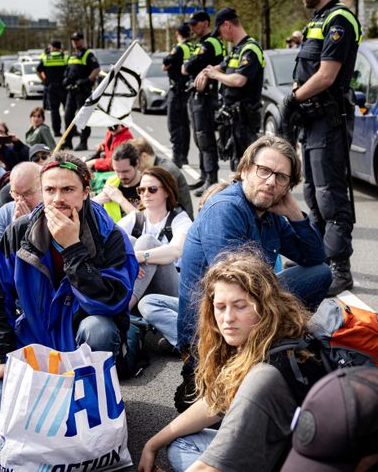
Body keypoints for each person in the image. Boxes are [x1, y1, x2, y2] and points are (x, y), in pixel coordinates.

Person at [0, 152, 137, 421]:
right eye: (50, 189)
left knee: (98, 327)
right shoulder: (18, 232)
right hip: (34, 344)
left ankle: (83, 408)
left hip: (79, 344)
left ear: (86, 192)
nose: (57, 198)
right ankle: (63, 417)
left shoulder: (111, 236)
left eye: (68, 189)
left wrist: (73, 250)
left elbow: (112, 302)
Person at [138, 251, 310, 472]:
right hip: (284, 448)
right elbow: (217, 401)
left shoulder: (265, 373)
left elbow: (210, 467)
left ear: (265, 306)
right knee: (180, 442)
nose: (228, 318)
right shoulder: (271, 339)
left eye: (240, 306)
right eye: (220, 307)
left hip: (288, 461)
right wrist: (152, 444)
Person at [176, 135, 330, 359]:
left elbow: (314, 257)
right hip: (213, 332)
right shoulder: (225, 209)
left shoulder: (271, 213)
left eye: (281, 177)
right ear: (245, 170)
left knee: (321, 273)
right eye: (264, 170)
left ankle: (278, 338)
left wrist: (295, 214)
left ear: (288, 186)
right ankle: (273, 341)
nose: (270, 182)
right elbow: (236, 284)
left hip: (250, 305)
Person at [284, 0, 363, 296]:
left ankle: (339, 269)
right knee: (315, 194)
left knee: (331, 197)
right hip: (313, 121)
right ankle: (317, 260)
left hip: (329, 120)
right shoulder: (317, 20)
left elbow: (328, 74)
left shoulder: (339, 19)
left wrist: (294, 98)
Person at [196, 8, 264, 170]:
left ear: (227, 25)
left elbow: (239, 80)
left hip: (245, 121)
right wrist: (206, 72)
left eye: (219, 31)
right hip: (233, 121)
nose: (220, 36)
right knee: (237, 167)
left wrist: (214, 75)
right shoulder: (237, 50)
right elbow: (221, 66)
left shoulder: (250, 49)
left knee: (246, 169)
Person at [118, 166, 192, 309]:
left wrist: (140, 256)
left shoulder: (180, 220)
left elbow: (176, 250)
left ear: (166, 191)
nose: (145, 194)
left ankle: (123, 310)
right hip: (142, 284)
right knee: (128, 240)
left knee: (147, 241)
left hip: (172, 289)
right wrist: (128, 259)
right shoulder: (135, 218)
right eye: (141, 190)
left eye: (152, 189)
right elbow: (108, 243)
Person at [184, 11, 227, 193]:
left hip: (207, 97)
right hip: (196, 96)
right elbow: (187, 67)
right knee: (199, 138)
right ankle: (204, 176)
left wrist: (188, 65)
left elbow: (187, 67)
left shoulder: (212, 42)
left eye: (195, 24)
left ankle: (212, 179)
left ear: (205, 23)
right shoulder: (201, 43)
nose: (192, 27)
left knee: (205, 138)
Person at [132, 137, 194, 216]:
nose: (135, 168)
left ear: (144, 156)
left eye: (136, 163)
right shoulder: (158, 167)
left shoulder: (164, 172)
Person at [62, 32, 101, 150]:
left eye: (77, 39)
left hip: (83, 91)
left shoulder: (88, 54)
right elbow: (69, 70)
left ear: (82, 40)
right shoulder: (72, 54)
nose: (75, 42)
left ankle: (83, 142)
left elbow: (96, 69)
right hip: (71, 91)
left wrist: (86, 80)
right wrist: (66, 79)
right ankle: (68, 142)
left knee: (84, 117)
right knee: (68, 116)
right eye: (73, 40)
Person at [164, 23, 195, 167]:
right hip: (188, 91)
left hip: (176, 91)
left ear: (177, 33)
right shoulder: (194, 47)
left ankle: (177, 156)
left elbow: (165, 64)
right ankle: (184, 156)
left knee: (174, 124)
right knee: (185, 125)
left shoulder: (178, 48)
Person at [92, 141, 143, 221]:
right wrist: (95, 201)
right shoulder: (112, 182)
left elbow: (145, 222)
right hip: (115, 232)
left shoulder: (148, 186)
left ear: (137, 164)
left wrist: (121, 200)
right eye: (117, 171)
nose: (121, 176)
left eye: (125, 171)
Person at [37, 40, 69, 136]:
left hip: (51, 87)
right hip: (64, 87)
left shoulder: (46, 58)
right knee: (68, 110)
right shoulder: (65, 57)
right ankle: (70, 130)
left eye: (50, 47)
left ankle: (56, 131)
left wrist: (44, 80)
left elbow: (38, 70)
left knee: (54, 110)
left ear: (54, 48)